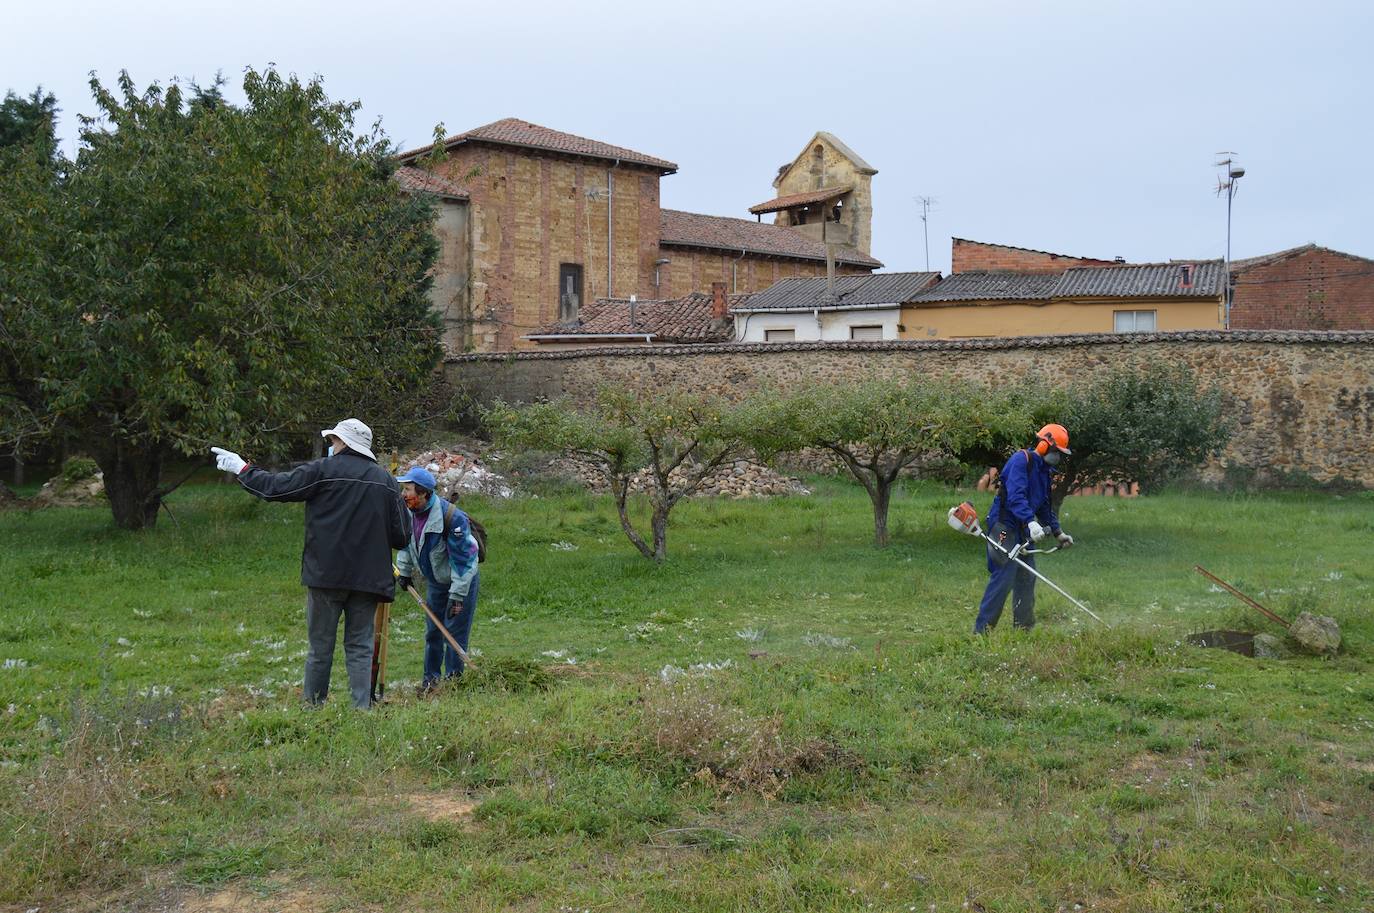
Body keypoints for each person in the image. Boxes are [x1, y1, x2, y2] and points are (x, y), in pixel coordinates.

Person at [210, 419, 408, 708]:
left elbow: (275, 488)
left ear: (344, 443)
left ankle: (314, 710)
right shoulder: (387, 482)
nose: (330, 445)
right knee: (360, 648)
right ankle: (361, 711)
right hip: (369, 580)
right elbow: (402, 536)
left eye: (333, 441)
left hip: (326, 576)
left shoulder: (322, 471)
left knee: (320, 648)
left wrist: (242, 469)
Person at [973, 423, 1076, 634]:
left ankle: (1023, 630)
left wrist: (1058, 532)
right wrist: (1031, 521)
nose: (1058, 457)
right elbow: (1015, 496)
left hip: (1022, 529)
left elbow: (1045, 506)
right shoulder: (1021, 461)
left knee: (1027, 576)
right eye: (1057, 452)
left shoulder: (1045, 471)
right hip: (1003, 525)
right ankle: (981, 633)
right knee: (1005, 574)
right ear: (1044, 445)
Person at [394, 466, 480, 691]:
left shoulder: (451, 518)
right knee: (433, 631)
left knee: (454, 632)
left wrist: (458, 596)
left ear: (424, 493)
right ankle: (430, 682)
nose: (404, 495)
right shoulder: (409, 514)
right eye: (403, 489)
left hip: (461, 583)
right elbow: (405, 544)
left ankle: (454, 684)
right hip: (436, 583)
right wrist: (404, 572)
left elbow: (465, 561)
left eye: (408, 490)